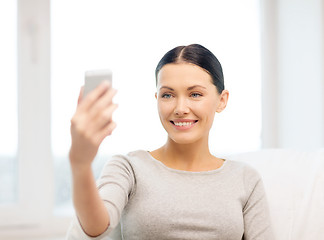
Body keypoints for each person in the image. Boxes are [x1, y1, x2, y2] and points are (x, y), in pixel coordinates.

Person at [66, 44, 273, 240]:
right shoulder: (129, 168)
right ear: (157, 99)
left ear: (222, 100)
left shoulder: (245, 179)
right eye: (168, 95)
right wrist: (80, 164)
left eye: (195, 94)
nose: (180, 108)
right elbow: (95, 227)